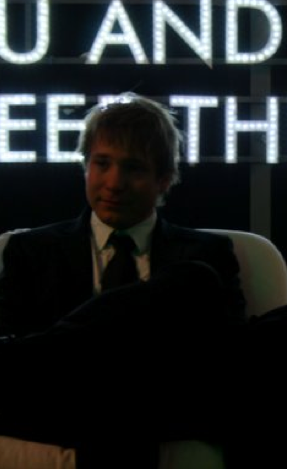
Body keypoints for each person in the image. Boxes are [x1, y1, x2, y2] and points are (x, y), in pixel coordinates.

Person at [0, 92, 248, 468]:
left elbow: (226, 360)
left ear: (164, 179)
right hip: (61, 399)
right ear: (85, 166)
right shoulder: (31, 250)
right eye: (102, 164)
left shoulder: (208, 254)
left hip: (164, 399)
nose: (114, 183)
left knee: (194, 279)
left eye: (133, 168)